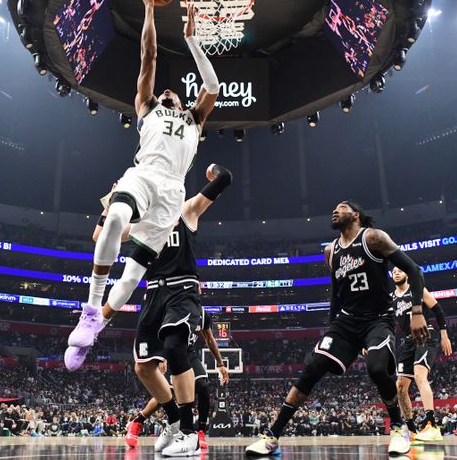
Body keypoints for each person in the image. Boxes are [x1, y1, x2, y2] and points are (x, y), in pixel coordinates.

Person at [66, 0, 219, 366]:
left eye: (174, 94)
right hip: (144, 173)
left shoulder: (195, 119)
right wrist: (149, 8)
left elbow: (213, 87)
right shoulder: (147, 106)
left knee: (134, 275)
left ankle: (97, 326)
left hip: (172, 192)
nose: (167, 92)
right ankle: (90, 308)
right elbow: (148, 54)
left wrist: (192, 41)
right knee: (116, 216)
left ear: (182, 102)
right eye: (163, 92)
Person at [72, 162, 232, 456]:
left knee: (174, 348)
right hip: (153, 292)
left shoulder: (186, 211)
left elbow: (225, 179)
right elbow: (100, 237)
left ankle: (188, 431)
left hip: (182, 289)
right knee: (143, 367)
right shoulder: (142, 223)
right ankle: (172, 420)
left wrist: (213, 170)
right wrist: (112, 201)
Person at [246, 201, 428, 457]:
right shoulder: (331, 251)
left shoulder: (373, 238)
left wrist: (418, 311)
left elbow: (415, 270)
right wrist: (332, 328)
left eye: (341, 207)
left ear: (356, 214)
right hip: (346, 322)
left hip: (377, 319)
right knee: (311, 370)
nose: (334, 210)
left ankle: (398, 427)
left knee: (376, 368)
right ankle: (272, 436)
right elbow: (337, 294)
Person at [126, 308, 231, 450]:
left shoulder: (202, 313)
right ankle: (138, 421)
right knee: (167, 393)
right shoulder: (173, 306)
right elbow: (159, 332)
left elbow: (210, 339)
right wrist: (161, 356)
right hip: (169, 353)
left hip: (189, 354)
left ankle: (199, 432)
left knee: (203, 387)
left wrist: (220, 364)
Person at [391, 266, 452, 442]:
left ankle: (431, 424)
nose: (396, 272)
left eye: (400, 270)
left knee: (419, 376)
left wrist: (444, 336)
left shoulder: (417, 289)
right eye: (393, 271)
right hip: (408, 341)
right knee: (400, 387)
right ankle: (411, 429)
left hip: (425, 335)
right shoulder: (391, 298)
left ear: (407, 274)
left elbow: (438, 310)